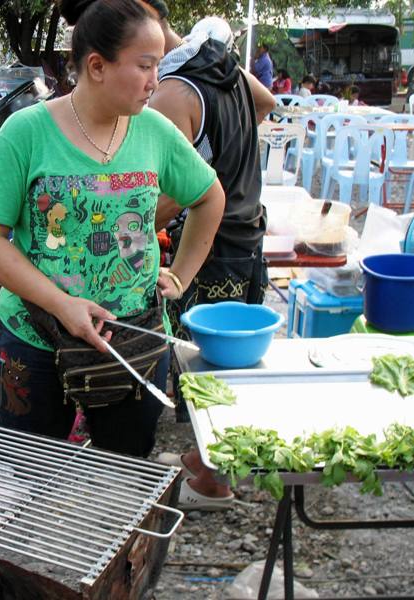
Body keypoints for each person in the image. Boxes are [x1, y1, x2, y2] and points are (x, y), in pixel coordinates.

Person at [0, 0, 225, 458]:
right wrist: (62, 305)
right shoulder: (25, 134)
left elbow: (209, 197)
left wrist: (180, 274)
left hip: (135, 341)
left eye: (157, 65)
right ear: (97, 66)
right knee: (29, 479)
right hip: (37, 339)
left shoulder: (155, 132)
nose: (155, 81)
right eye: (145, 65)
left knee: (124, 477)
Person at [146, 11, 275, 509]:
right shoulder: (223, 68)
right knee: (231, 360)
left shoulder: (175, 91)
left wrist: (127, 224)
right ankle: (208, 464)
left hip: (211, 245)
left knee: (200, 363)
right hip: (248, 232)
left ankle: (212, 482)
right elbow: (266, 101)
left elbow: (185, 188)